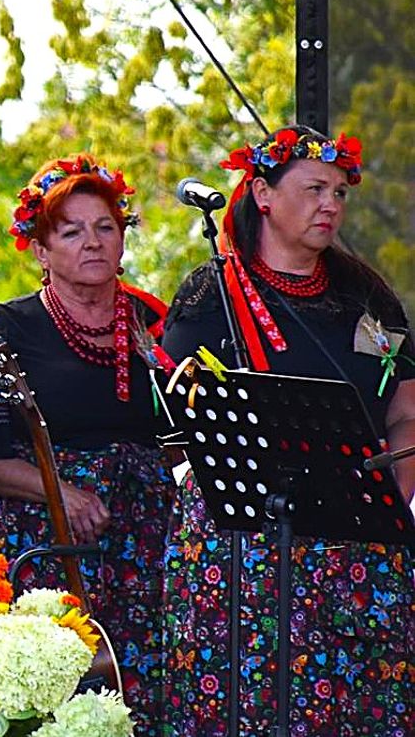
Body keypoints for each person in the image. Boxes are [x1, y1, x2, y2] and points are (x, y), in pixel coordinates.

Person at [161, 126, 415, 735]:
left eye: (339, 192)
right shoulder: (213, 292)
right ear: (263, 194)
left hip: (357, 532)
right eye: (314, 189)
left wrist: (397, 486)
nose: (331, 204)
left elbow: (406, 410)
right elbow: (179, 410)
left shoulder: (368, 296)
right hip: (243, 539)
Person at [0, 154, 174, 731]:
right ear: (41, 251)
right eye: (71, 232)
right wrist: (61, 493)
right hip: (48, 543)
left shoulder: (154, 323)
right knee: (56, 705)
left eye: (105, 227)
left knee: (151, 698)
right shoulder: (7, 328)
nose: (93, 242)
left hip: (148, 544)